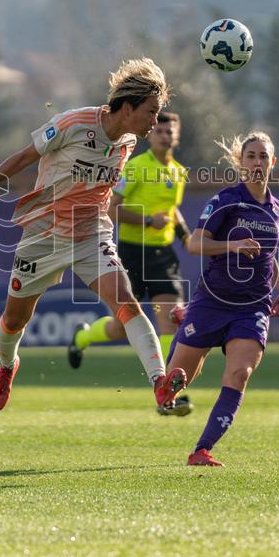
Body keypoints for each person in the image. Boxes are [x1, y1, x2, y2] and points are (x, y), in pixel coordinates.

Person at [0, 57, 187, 413]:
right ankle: (6, 366)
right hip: (43, 232)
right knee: (15, 319)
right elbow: (24, 156)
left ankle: (159, 382)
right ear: (126, 107)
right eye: (151, 112)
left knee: (127, 303)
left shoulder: (128, 141)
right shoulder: (73, 123)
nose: (154, 122)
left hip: (91, 233)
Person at [166, 132, 279, 467]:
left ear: (273, 163)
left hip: (252, 306)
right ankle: (186, 329)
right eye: (251, 156)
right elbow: (195, 244)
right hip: (213, 300)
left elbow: (267, 255)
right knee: (173, 384)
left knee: (239, 373)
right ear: (240, 162)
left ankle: (202, 450)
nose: (257, 162)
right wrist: (232, 246)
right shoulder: (225, 201)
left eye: (263, 156)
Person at [68, 110, 194, 416]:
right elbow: (112, 208)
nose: (165, 135)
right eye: (160, 131)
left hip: (163, 256)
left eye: (170, 132)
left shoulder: (179, 172)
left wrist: (187, 237)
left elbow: (172, 209)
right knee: (120, 328)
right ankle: (82, 337)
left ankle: (170, 393)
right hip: (133, 253)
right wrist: (147, 219)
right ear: (150, 135)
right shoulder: (136, 168)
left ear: (176, 136)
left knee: (170, 321)